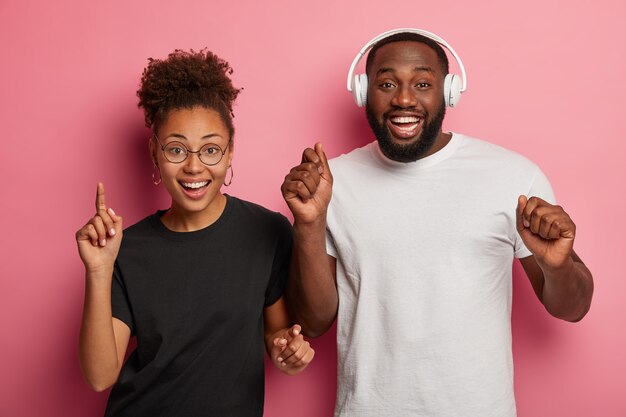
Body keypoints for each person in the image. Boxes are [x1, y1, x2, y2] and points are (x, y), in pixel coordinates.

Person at [281, 29, 593, 416]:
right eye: (387, 83)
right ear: (363, 91)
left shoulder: (513, 177)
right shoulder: (332, 183)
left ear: (449, 91)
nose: (404, 99)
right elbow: (313, 322)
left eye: (423, 83)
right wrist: (309, 223)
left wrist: (558, 264)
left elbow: (573, 308)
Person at [77, 49, 314, 417]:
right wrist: (98, 269)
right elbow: (99, 377)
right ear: (155, 151)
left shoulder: (267, 231)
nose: (193, 166)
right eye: (176, 149)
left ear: (230, 152)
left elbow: (277, 334)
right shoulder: (126, 248)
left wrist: (288, 352)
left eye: (210, 150)